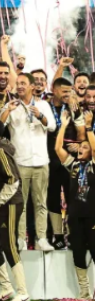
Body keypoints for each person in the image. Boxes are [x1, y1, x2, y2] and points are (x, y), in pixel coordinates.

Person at [0, 73, 56, 251]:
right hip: (20, 163)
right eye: (18, 83)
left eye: (23, 83)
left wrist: (40, 116)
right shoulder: (11, 105)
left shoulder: (43, 105)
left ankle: (42, 238)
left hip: (40, 161)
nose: (20, 86)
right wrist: (7, 110)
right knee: (19, 203)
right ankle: (21, 238)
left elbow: (52, 126)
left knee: (41, 203)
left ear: (32, 86)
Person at [0, 118, 29, 301]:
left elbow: (12, 180)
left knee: (9, 245)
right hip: (0, 204)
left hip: (9, 203)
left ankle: (23, 291)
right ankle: (6, 288)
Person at [55, 109, 95, 299]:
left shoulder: (93, 165)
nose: (81, 148)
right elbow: (57, 150)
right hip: (75, 216)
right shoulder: (73, 165)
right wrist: (63, 126)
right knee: (77, 253)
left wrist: (88, 128)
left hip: (92, 216)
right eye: (81, 146)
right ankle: (84, 292)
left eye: (85, 147)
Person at [45, 77, 85, 250]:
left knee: (72, 198)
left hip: (69, 160)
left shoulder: (75, 109)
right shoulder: (45, 106)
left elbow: (82, 133)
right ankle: (58, 236)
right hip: (49, 159)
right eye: (65, 91)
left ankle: (72, 234)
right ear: (55, 90)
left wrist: (78, 144)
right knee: (52, 198)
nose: (68, 95)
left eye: (70, 92)